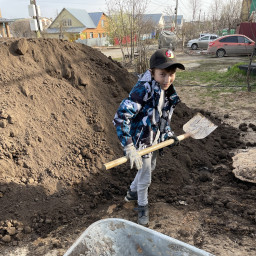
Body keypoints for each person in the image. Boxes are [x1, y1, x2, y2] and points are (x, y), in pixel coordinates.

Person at [113, 48, 185, 225]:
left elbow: (162, 117)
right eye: (162, 74)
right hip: (141, 140)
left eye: (171, 74)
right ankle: (142, 206)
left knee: (150, 167)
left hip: (155, 139)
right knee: (146, 176)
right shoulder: (142, 90)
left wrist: (168, 135)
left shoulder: (166, 90)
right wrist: (129, 146)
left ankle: (131, 193)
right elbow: (121, 117)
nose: (167, 79)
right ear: (152, 72)